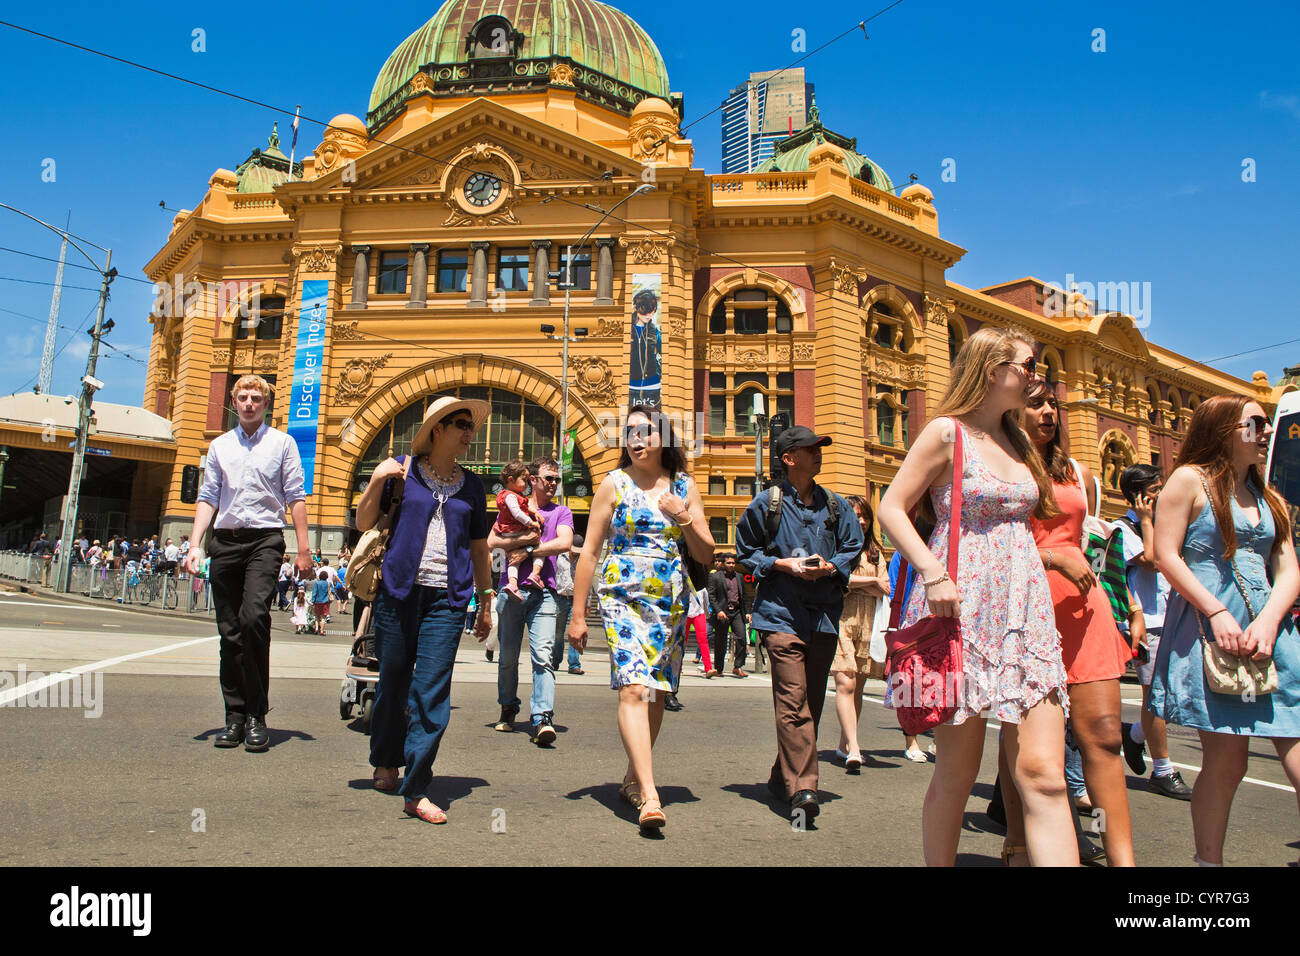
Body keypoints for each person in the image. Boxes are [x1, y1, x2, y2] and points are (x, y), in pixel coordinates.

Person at [877, 326, 1077, 866]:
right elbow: (892, 506)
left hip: (1023, 609)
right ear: (993, 369)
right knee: (958, 774)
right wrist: (932, 571)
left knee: (1044, 774)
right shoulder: (947, 432)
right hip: (960, 608)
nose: (1037, 377)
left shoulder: (1019, 440)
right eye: (1029, 366)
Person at [1147, 395, 1300, 865]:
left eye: (1268, 423)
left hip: (1273, 633)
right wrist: (1216, 612)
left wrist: (1272, 619)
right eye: (1256, 423)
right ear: (1225, 428)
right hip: (1212, 627)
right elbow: (1166, 554)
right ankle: (1207, 863)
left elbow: (1289, 567)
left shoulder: (1269, 495)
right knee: (1228, 762)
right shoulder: (1189, 480)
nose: (1267, 431)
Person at [997, 379, 1135, 866]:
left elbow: (1092, 540)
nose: (1048, 411)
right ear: (1012, 411)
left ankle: (1122, 860)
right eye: (1035, 403)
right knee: (1028, 737)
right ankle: (1018, 839)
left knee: (1104, 733)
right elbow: (990, 552)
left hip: (1085, 607)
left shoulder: (1078, 471)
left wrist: (1128, 606)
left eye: (1052, 402)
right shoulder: (1001, 468)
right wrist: (1052, 558)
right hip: (1026, 609)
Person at [568, 406, 714, 829]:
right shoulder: (613, 484)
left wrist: (682, 515)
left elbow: (705, 553)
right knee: (633, 688)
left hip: (670, 603)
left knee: (655, 693)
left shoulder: (685, 486)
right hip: (621, 598)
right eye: (628, 432)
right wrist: (577, 616)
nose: (635, 439)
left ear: (664, 438)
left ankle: (633, 779)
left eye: (645, 432)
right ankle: (650, 795)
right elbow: (590, 552)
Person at [356, 395, 494, 825]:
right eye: (460, 424)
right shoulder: (400, 472)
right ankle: (385, 758)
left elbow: (478, 547)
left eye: (471, 425)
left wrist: (484, 601)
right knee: (393, 682)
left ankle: (416, 787)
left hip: (447, 599)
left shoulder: (472, 486)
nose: (469, 433)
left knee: (431, 690)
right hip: (398, 591)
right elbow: (362, 522)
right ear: (436, 428)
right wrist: (377, 479)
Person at [735, 425, 864, 822]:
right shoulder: (766, 504)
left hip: (823, 615)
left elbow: (853, 545)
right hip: (782, 615)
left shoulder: (837, 506)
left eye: (820, 447)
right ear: (790, 459)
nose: (819, 453)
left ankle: (781, 776)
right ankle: (805, 787)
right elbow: (744, 552)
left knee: (812, 702)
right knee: (793, 700)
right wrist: (781, 564)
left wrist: (831, 567)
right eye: (811, 449)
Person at [185, 374, 311, 753]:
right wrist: (194, 544)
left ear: (267, 404)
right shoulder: (219, 446)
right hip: (224, 541)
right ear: (234, 403)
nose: (250, 403)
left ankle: (257, 713)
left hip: (265, 540)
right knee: (230, 632)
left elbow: (296, 496)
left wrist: (303, 549)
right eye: (243, 397)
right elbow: (208, 496)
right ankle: (234, 717)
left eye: (257, 397)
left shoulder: (282, 443)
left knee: (254, 617)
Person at [1115, 463, 1193, 800]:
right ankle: (1162, 770)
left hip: (1173, 616)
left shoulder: (1166, 522)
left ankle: (1132, 735)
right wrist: (1145, 520)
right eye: (1155, 490)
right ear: (1137, 495)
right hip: (1147, 622)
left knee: (1169, 693)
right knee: (1155, 695)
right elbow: (1150, 558)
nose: (1161, 495)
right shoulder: (1121, 528)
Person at [489, 456, 574, 746]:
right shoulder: (513, 504)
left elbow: (564, 543)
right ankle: (508, 706)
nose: (553, 484)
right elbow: (491, 542)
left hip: (545, 593)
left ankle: (542, 717)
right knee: (508, 658)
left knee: (543, 656)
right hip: (510, 591)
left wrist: (528, 551)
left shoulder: (561, 511)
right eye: (548, 478)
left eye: (556, 480)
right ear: (533, 480)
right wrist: (523, 543)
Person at [832, 495, 890, 772]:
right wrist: (872, 582)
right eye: (856, 516)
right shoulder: (836, 546)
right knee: (846, 683)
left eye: (865, 516)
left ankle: (844, 743)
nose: (862, 521)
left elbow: (886, 587)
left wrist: (861, 584)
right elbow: (838, 579)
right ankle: (854, 748)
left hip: (869, 623)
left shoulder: (876, 551)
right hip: (841, 621)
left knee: (858, 688)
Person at [886, 514, 935, 763]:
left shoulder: (945, 551)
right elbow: (896, 591)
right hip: (913, 622)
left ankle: (939, 738)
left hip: (938, 622)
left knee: (942, 683)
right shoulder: (903, 556)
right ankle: (911, 741)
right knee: (909, 685)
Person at [494, 459, 546, 601]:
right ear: (511, 479)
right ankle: (535, 574)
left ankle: (512, 584)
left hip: (508, 532)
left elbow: (524, 506)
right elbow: (517, 513)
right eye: (523, 479)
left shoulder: (511, 495)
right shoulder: (510, 496)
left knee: (513, 559)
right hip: (515, 530)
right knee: (541, 547)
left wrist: (534, 512)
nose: (526, 483)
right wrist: (531, 523)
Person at [707, 554, 751, 678]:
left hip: (737, 612)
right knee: (720, 641)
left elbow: (744, 596)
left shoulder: (740, 576)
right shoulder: (715, 577)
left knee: (742, 638)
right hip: (723, 612)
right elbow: (711, 596)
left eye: (733, 563)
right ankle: (719, 668)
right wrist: (718, 611)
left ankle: (738, 667)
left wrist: (747, 612)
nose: (731, 565)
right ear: (723, 564)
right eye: (729, 563)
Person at [551, 533, 586, 675]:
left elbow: (587, 582)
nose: (574, 553)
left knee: (576, 632)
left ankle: (574, 664)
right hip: (559, 597)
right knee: (558, 633)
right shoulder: (559, 556)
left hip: (576, 599)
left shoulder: (583, 560)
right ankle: (555, 660)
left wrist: (587, 603)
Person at [311, 570, 331, 635]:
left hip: (317, 601)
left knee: (317, 616)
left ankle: (316, 629)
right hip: (325, 602)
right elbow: (331, 591)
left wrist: (312, 600)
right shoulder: (327, 583)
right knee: (323, 617)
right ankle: (322, 631)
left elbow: (314, 592)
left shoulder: (317, 583)